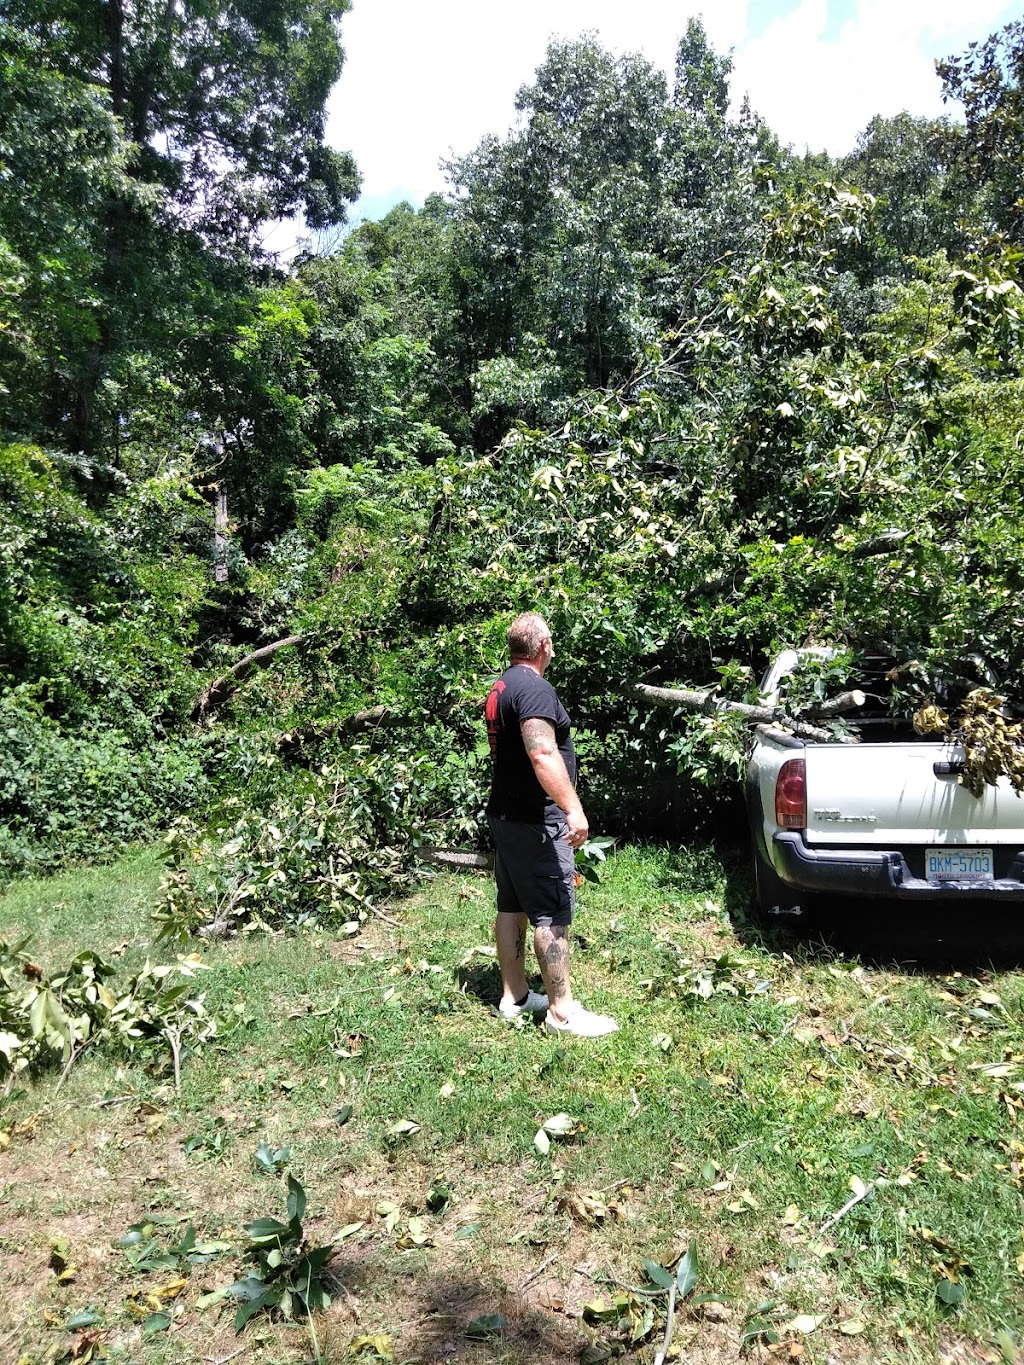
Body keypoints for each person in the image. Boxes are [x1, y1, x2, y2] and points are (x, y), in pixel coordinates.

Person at [484, 611, 618, 1038]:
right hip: (536, 822)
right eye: (552, 640)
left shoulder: (503, 685)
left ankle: (516, 997)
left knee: (512, 905)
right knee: (551, 913)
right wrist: (573, 808)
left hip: (506, 814)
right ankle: (562, 1012)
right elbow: (542, 753)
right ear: (543, 646)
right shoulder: (535, 689)